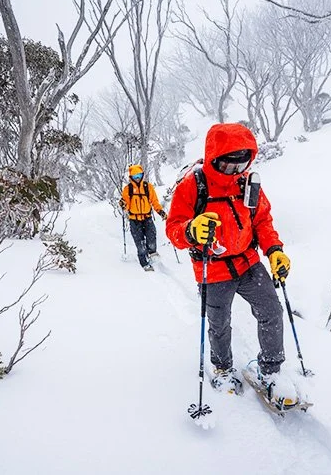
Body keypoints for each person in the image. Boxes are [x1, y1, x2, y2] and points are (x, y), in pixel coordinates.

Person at [165, 123, 295, 405]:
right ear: (214, 158)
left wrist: (274, 251)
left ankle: (270, 370)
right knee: (219, 323)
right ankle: (223, 369)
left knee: (272, 309)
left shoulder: (249, 183)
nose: (236, 172)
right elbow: (173, 229)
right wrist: (190, 231)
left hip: (248, 262)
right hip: (212, 268)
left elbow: (262, 220)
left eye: (243, 164)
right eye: (228, 166)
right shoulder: (193, 186)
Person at [120, 164, 168, 272]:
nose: (137, 178)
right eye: (135, 176)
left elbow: (154, 202)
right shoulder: (128, 189)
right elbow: (126, 205)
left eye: (139, 175)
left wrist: (161, 212)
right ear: (131, 177)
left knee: (152, 237)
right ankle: (143, 262)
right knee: (139, 242)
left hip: (147, 218)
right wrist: (123, 204)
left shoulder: (148, 187)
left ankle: (152, 253)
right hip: (134, 219)